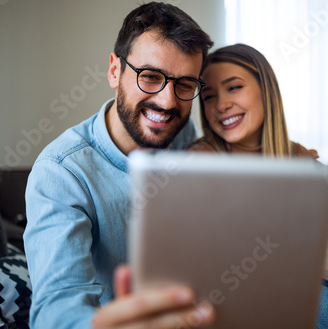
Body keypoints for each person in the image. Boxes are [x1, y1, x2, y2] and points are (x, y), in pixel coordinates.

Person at [190, 43, 328, 329]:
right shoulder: (199, 163)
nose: (221, 105)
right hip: (233, 289)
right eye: (208, 96)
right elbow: (210, 257)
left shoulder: (300, 162)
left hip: (291, 277)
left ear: (266, 90)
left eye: (233, 88)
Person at [24, 3, 215, 329]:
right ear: (115, 71)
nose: (168, 102)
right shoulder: (61, 173)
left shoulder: (184, 136)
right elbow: (56, 309)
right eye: (151, 77)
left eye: (184, 85)